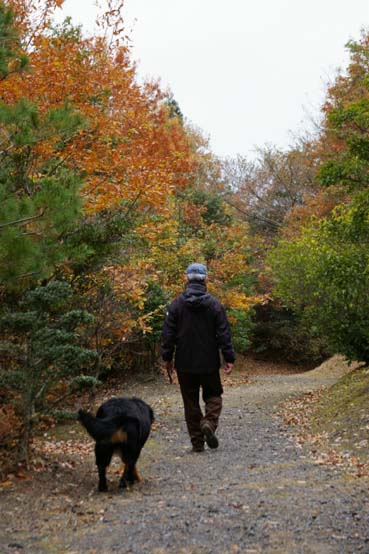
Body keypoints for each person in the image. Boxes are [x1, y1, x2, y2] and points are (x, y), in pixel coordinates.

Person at [161, 263, 235, 452]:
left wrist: (167, 358)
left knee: (190, 402)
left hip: (185, 362)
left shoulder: (176, 305)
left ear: (186, 278)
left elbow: (168, 335)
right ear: (205, 279)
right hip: (209, 361)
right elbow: (224, 334)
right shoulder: (215, 305)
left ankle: (197, 442)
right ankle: (209, 423)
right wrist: (229, 357)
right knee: (214, 396)